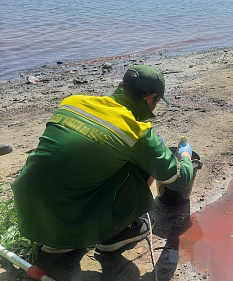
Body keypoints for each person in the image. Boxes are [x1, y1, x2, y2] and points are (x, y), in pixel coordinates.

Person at [12, 65, 194, 254]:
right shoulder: (136, 132)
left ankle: (57, 240)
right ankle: (115, 235)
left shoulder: (72, 102)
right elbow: (180, 181)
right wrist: (185, 155)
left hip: (28, 216)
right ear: (150, 98)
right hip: (64, 223)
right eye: (156, 101)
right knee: (144, 163)